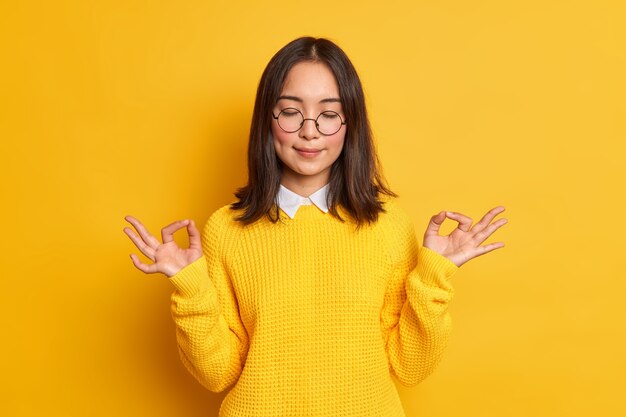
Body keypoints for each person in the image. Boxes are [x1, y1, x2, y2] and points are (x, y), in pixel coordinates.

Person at [123, 36, 507, 417]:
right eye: (291, 112)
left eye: (329, 114)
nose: (310, 131)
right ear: (267, 120)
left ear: (350, 123)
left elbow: (410, 367)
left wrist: (433, 278)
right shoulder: (226, 229)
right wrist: (190, 287)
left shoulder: (389, 226)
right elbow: (218, 374)